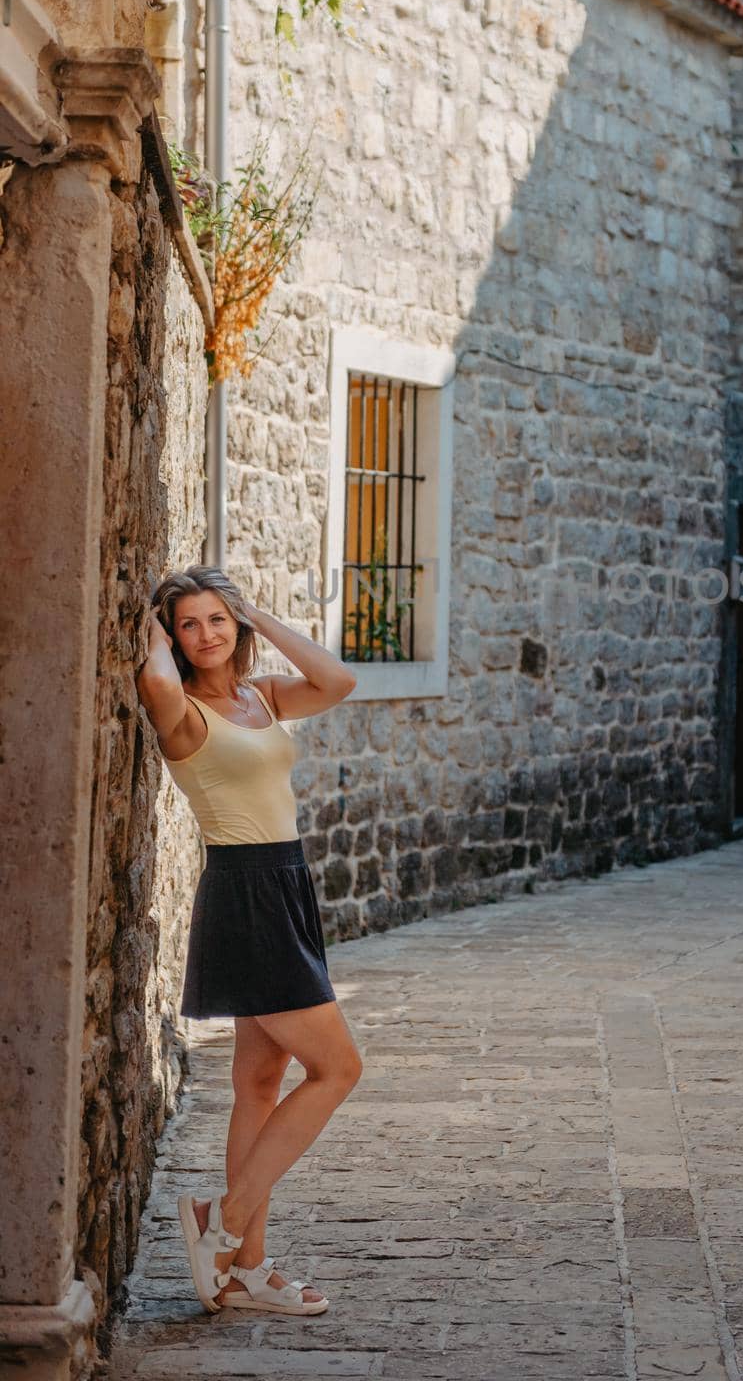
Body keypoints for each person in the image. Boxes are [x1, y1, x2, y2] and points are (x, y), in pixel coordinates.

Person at [135, 565, 364, 1318]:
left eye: (216, 621)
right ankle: (224, 1227)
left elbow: (336, 682)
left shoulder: (261, 696)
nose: (205, 636)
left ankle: (243, 1276)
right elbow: (159, 682)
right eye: (189, 625)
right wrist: (153, 628)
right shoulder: (186, 713)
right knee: (337, 1068)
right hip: (245, 890)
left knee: (259, 1086)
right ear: (174, 635)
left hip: (286, 883)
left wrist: (258, 615)